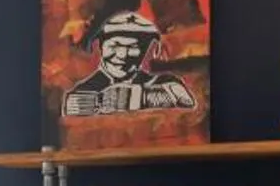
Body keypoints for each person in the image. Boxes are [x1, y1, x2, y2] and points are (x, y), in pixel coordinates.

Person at [61, 8, 198, 118]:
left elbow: (185, 100)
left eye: (132, 48)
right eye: (114, 46)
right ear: (101, 46)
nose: (121, 55)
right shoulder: (84, 91)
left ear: (145, 51)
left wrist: (138, 97)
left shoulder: (165, 83)